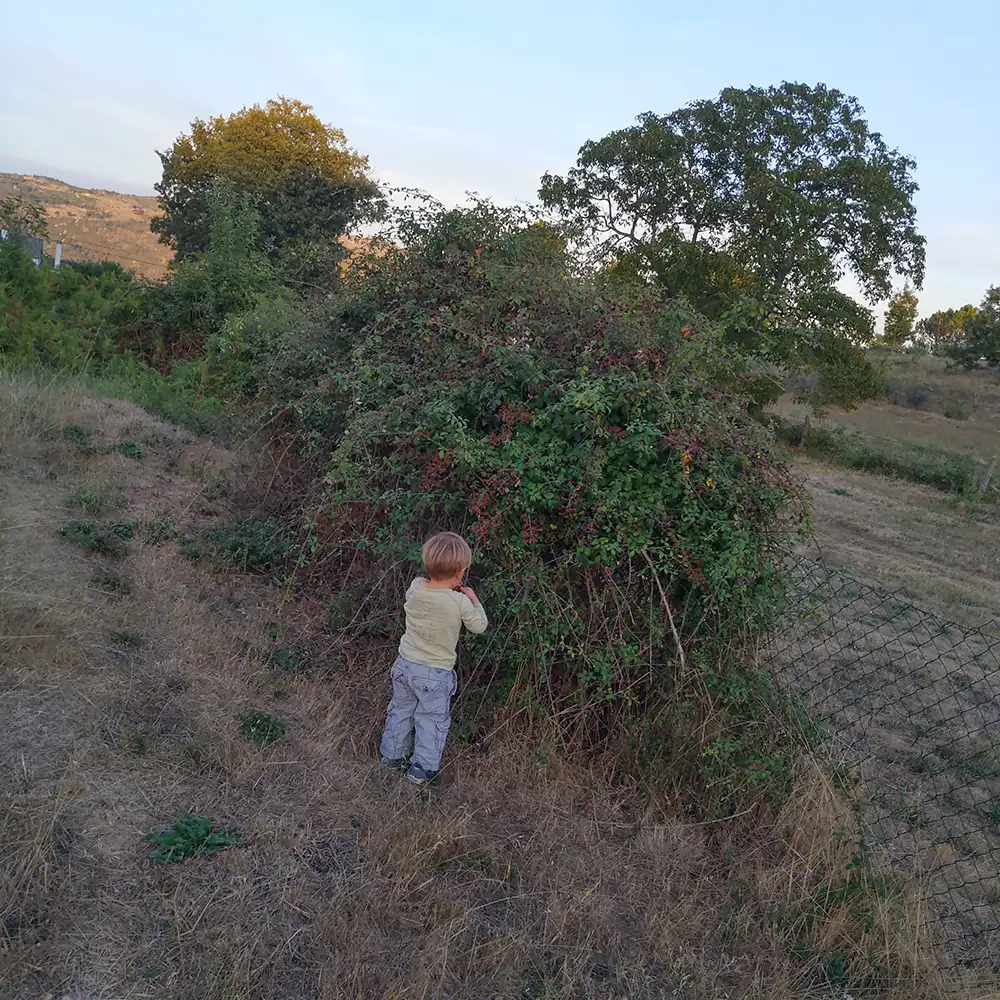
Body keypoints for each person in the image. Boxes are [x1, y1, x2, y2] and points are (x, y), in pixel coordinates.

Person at [379, 531, 488, 785]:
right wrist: (473, 598)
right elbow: (479, 626)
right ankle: (421, 769)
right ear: (461, 571)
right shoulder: (459, 602)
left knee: (401, 709)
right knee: (431, 719)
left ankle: (391, 756)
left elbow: (422, 580)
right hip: (435, 673)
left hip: (405, 665)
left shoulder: (415, 589)